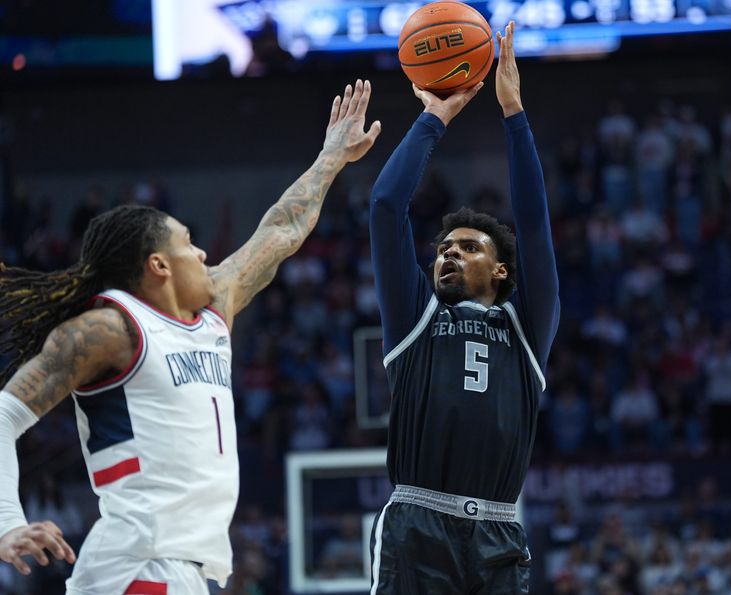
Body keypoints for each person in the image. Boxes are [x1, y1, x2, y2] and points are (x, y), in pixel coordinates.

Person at [0, 79, 381, 594]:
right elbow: (4, 414)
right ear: (159, 265)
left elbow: (281, 230)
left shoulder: (215, 310)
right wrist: (7, 523)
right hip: (137, 567)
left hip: (183, 569)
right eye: (188, 243)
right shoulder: (109, 329)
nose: (203, 253)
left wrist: (331, 158)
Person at [368, 22, 559, 594]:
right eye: (444, 249)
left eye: (469, 248)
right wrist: (435, 116)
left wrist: (513, 113)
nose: (449, 253)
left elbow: (534, 224)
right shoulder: (416, 319)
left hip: (498, 532)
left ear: (501, 271)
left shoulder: (526, 328)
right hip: (417, 524)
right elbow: (385, 206)